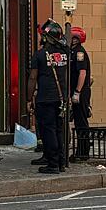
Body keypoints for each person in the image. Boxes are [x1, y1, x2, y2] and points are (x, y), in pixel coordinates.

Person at [29, 20, 76, 174]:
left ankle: (53, 164)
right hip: (61, 98)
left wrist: (29, 99)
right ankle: (62, 162)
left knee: (48, 131)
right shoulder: (65, 53)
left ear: (47, 37)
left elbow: (32, 78)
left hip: (45, 99)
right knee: (59, 130)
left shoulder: (40, 55)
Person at [68, 27, 94, 161]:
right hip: (77, 91)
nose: (71, 40)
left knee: (81, 122)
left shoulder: (79, 53)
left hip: (81, 92)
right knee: (78, 122)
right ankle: (81, 151)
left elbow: (82, 73)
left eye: (73, 38)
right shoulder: (72, 51)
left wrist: (77, 92)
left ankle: (83, 152)